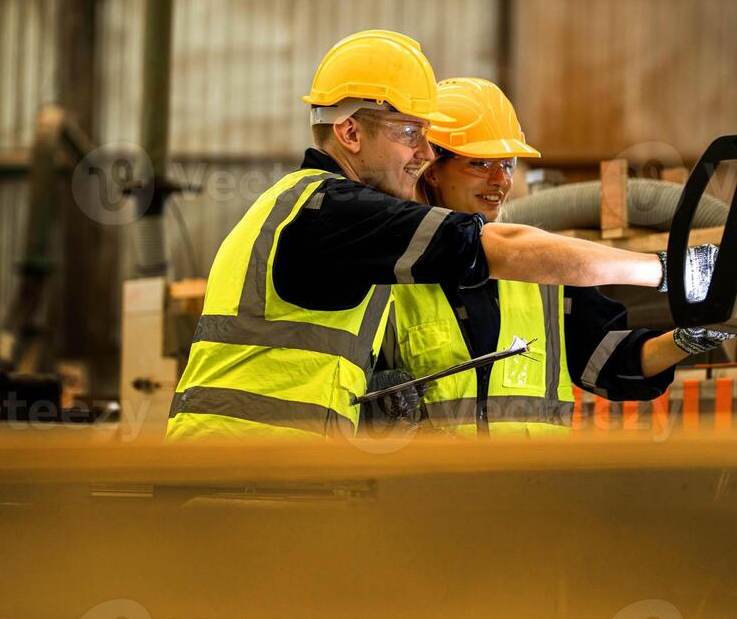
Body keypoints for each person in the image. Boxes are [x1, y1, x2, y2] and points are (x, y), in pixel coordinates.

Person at [166, 30, 677, 440]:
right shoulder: (334, 210)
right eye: (410, 134)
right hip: (251, 468)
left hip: (257, 466)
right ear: (349, 133)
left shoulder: (308, 205)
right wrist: (665, 270)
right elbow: (494, 246)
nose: (425, 153)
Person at [380, 77, 726, 436]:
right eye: (480, 164)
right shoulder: (390, 272)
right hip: (432, 489)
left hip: (535, 488)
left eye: (509, 164)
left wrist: (690, 338)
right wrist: (377, 400)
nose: (501, 181)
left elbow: (611, 362)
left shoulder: (544, 274)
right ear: (432, 169)